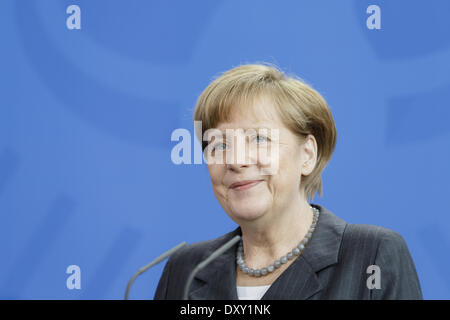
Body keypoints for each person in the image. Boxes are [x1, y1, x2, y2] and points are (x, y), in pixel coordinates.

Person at [154, 63, 423, 300]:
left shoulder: (370, 255)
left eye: (258, 139)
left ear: (307, 155)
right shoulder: (186, 269)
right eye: (219, 144)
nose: (235, 161)